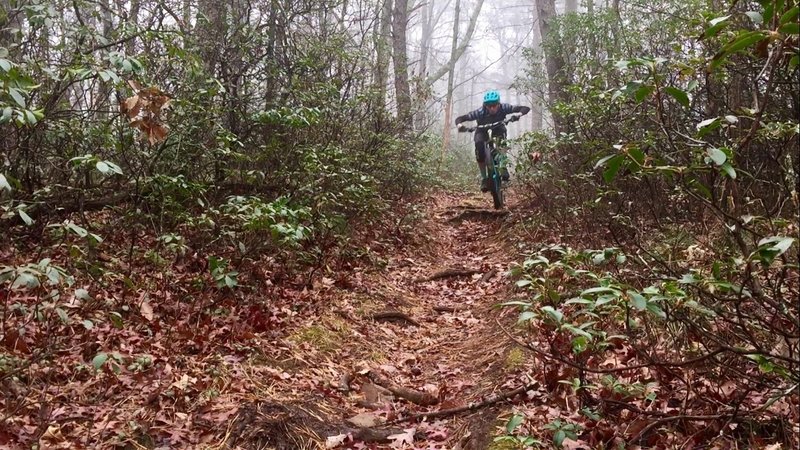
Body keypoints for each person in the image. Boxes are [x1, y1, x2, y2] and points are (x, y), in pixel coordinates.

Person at [455, 90, 530, 192]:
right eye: (489, 106)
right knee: (479, 148)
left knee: (502, 142)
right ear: (485, 105)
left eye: (494, 105)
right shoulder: (480, 112)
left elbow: (525, 108)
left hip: (498, 128)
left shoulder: (504, 108)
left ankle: (503, 167)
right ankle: (484, 178)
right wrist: (460, 125)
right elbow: (461, 118)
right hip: (482, 130)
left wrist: (518, 115)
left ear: (498, 104)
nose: (492, 108)